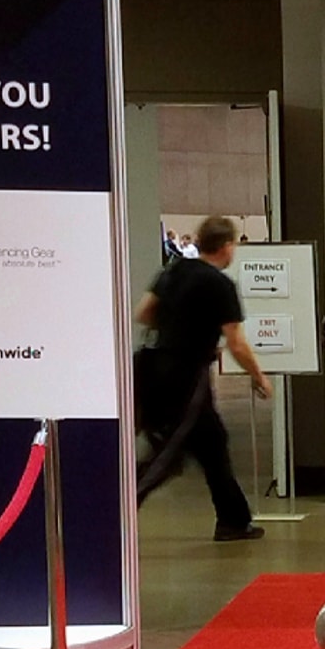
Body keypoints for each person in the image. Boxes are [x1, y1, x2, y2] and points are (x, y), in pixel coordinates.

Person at [132, 214, 272, 537]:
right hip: (185, 376)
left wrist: (178, 329)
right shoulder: (220, 285)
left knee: (213, 442)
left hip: (154, 366)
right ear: (226, 246)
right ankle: (117, 509)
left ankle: (233, 520)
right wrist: (259, 376)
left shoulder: (175, 270)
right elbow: (236, 342)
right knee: (168, 453)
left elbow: (144, 312)